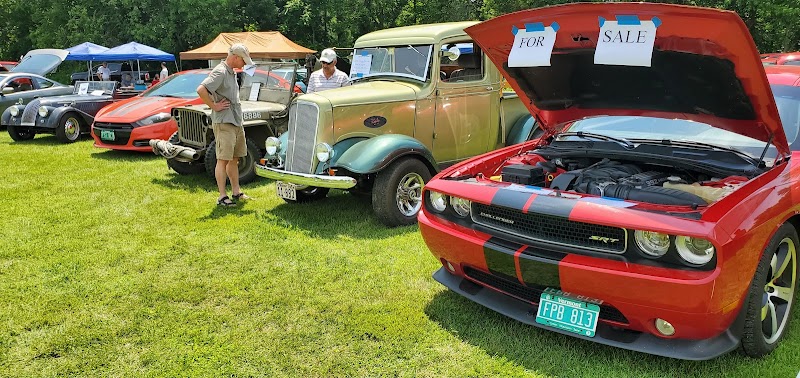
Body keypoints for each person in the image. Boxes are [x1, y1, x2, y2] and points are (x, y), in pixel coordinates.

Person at [196, 43, 255, 207]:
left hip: (235, 121)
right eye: (243, 60)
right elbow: (201, 90)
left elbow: (249, 72)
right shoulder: (220, 71)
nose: (244, 64)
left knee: (234, 159)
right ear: (235, 57)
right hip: (224, 122)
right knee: (222, 159)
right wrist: (214, 106)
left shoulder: (232, 72)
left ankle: (236, 192)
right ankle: (222, 196)